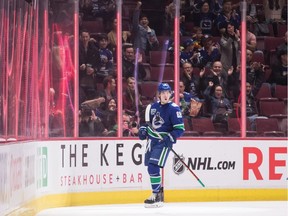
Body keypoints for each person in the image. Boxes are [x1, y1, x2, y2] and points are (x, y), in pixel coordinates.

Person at [138, 83, 185, 208]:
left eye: (167, 92)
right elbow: (147, 124)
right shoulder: (152, 107)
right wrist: (143, 130)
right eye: (162, 92)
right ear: (159, 94)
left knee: (153, 167)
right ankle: (157, 194)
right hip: (152, 142)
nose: (165, 95)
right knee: (150, 168)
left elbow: (180, 129)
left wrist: (169, 138)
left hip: (163, 143)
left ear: (170, 94)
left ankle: (156, 195)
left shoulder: (174, 109)